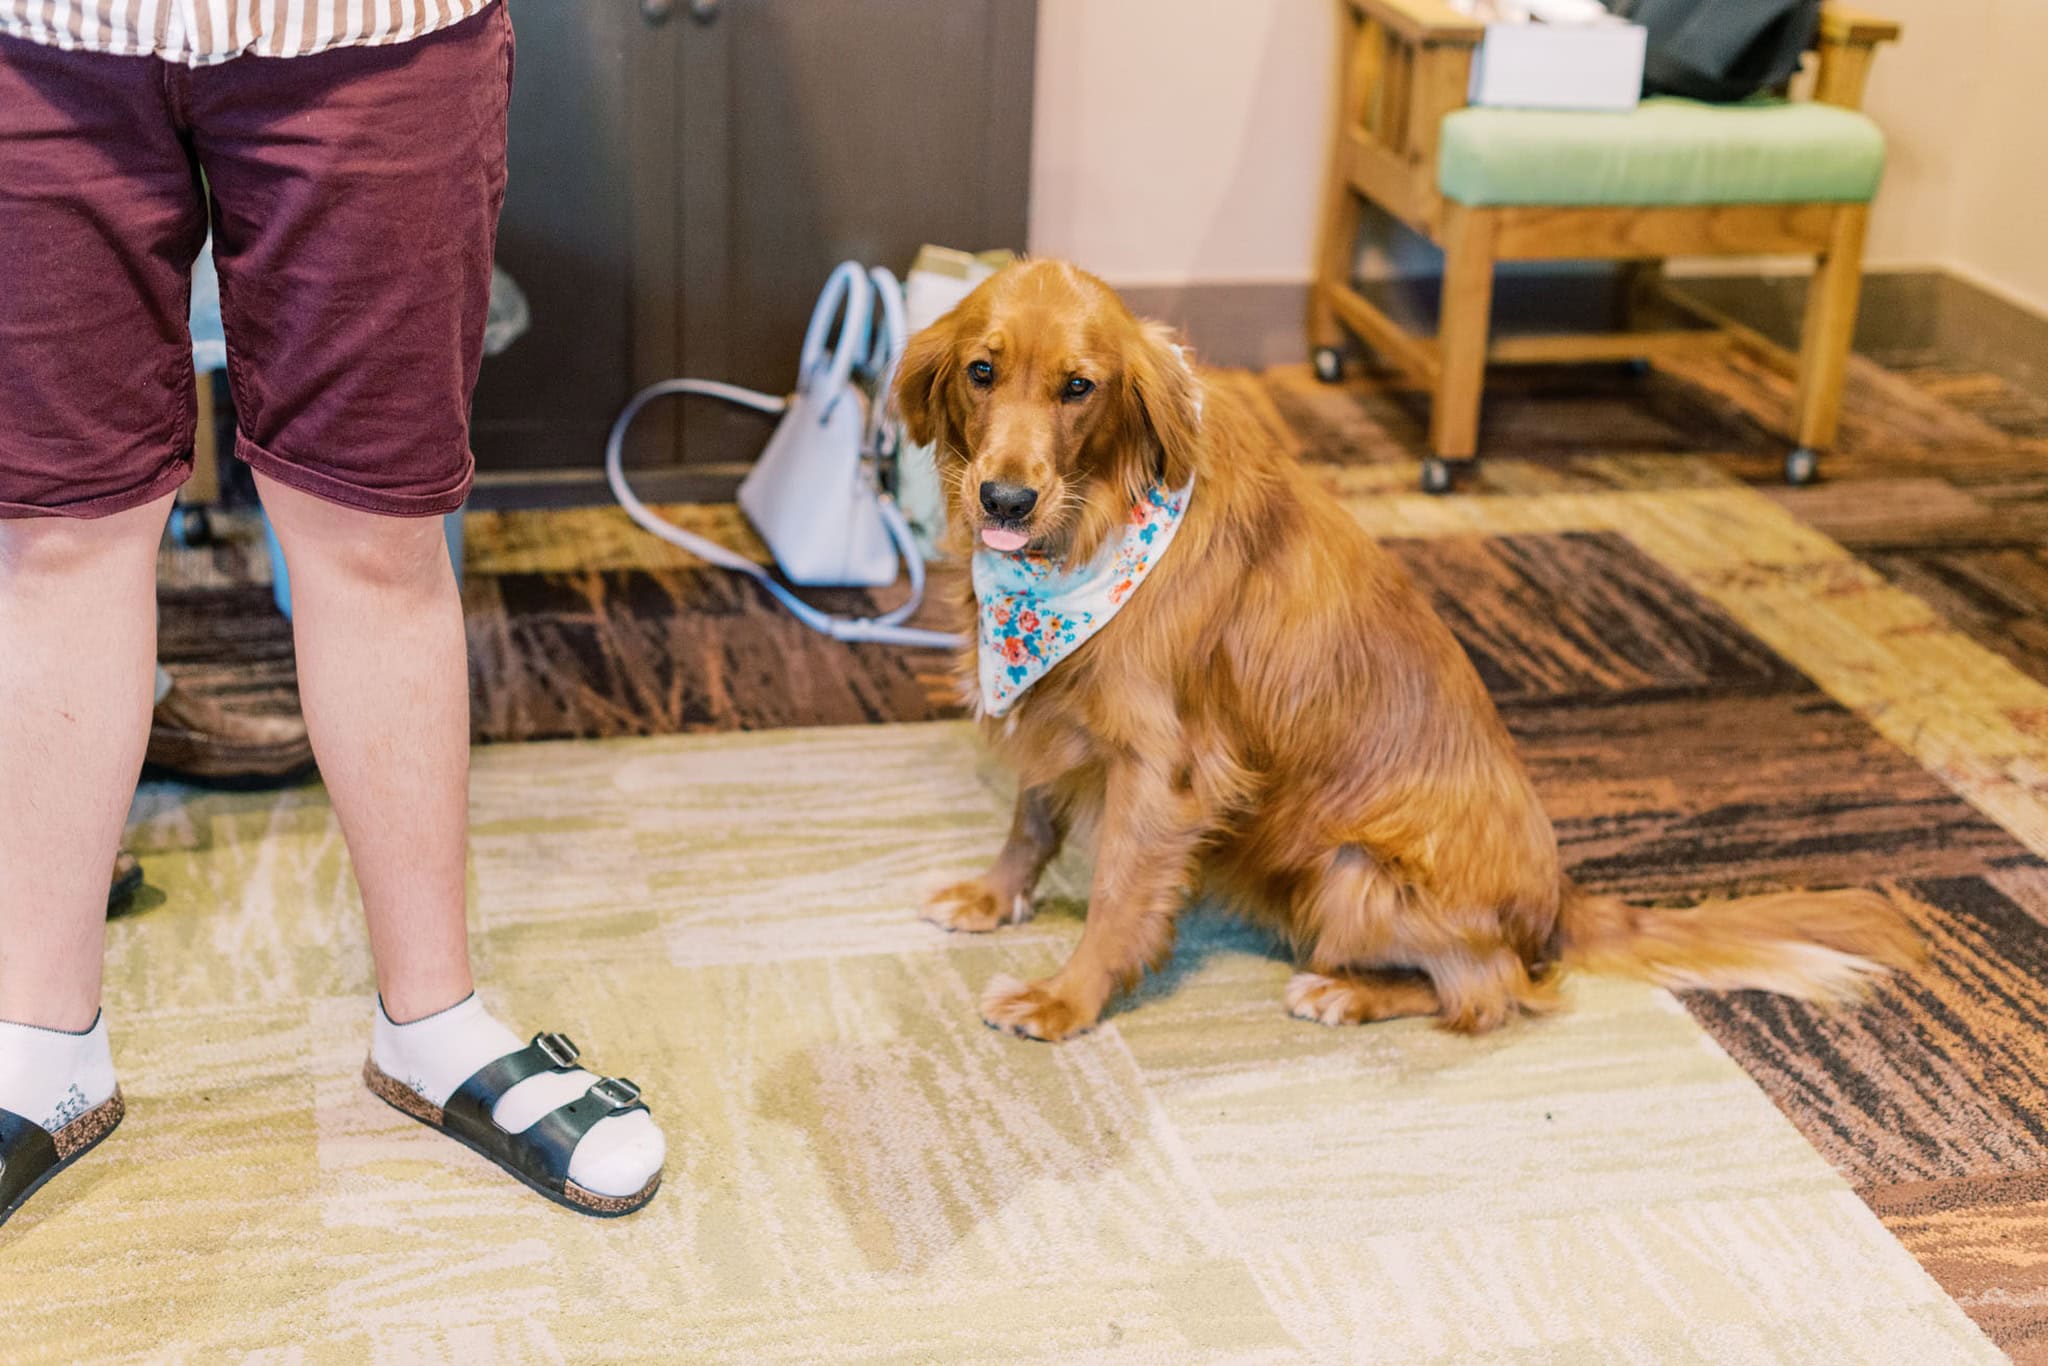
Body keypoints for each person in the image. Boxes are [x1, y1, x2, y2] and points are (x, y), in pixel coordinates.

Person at [0, 1, 665, 1226]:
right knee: (54, 544)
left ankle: (432, 1022)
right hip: (39, 39)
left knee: (374, 534)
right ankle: (40, 1051)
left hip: (375, 30)